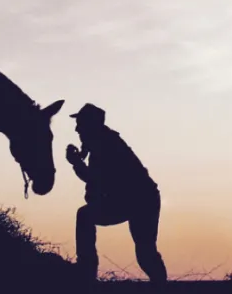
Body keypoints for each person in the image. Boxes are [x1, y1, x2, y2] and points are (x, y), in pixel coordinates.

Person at [64, 103, 168, 283]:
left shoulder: (106, 144)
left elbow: (95, 179)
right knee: (145, 251)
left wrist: (76, 163)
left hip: (141, 201)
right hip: (137, 200)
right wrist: (79, 160)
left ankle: (86, 272)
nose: (77, 128)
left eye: (80, 124)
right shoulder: (100, 142)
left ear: (91, 125)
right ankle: (86, 271)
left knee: (145, 251)